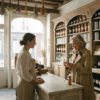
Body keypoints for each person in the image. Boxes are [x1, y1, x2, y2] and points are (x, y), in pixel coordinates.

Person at [63, 35, 95, 100]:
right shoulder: (74, 53)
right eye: (72, 44)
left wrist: (73, 66)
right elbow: (73, 67)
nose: (72, 46)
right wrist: (68, 66)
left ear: (81, 43)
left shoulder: (87, 53)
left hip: (83, 83)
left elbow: (88, 70)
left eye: (74, 43)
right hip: (75, 81)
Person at [15, 33, 45, 100]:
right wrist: (36, 81)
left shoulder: (27, 52)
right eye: (34, 41)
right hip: (25, 85)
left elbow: (29, 70)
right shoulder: (24, 54)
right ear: (28, 42)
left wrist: (36, 79)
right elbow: (25, 74)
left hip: (28, 83)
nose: (35, 43)